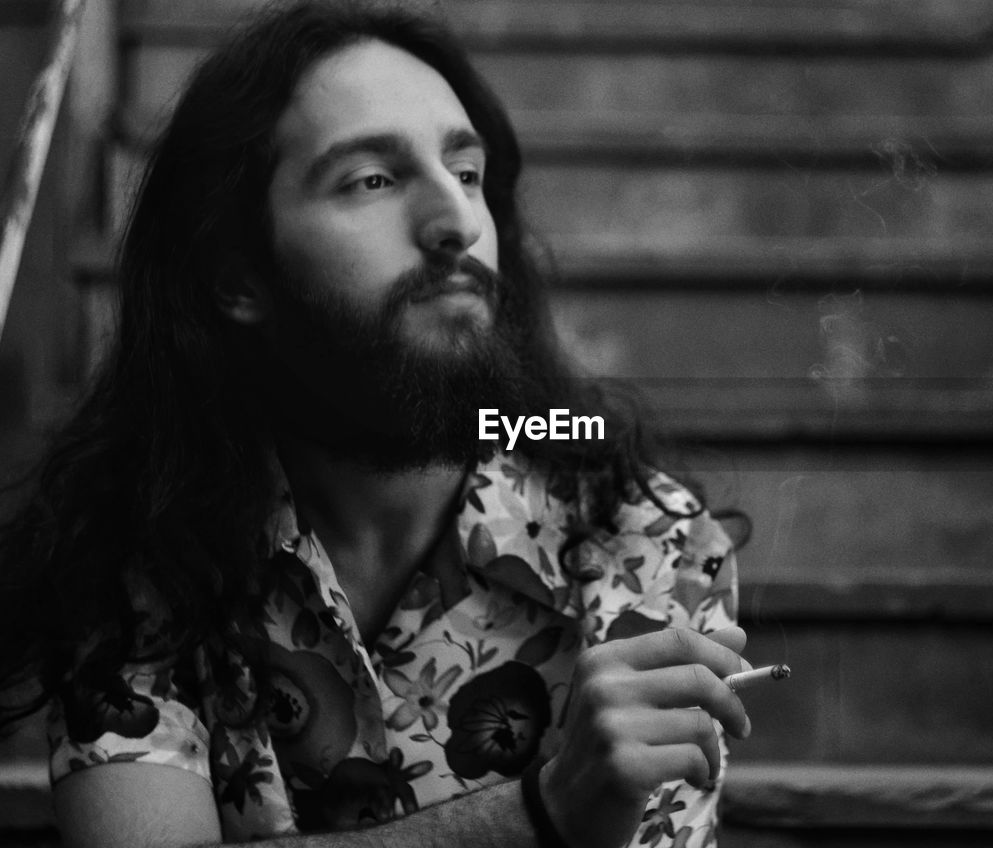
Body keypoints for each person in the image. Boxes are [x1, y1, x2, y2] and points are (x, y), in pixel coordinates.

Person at [0, 1, 748, 846]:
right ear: (236, 275)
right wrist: (542, 816)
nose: (457, 222)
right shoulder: (136, 548)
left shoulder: (642, 537)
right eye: (372, 180)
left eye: (467, 175)